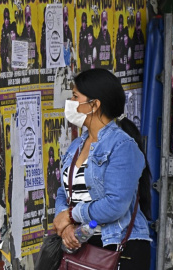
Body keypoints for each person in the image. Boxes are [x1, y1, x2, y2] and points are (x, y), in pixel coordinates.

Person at [54, 69, 152, 269]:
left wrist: (72, 215)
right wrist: (65, 226)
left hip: (118, 247)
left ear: (94, 105)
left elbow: (116, 204)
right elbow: (62, 192)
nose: (70, 102)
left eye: (75, 96)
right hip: (82, 247)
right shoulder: (77, 145)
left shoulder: (122, 146)